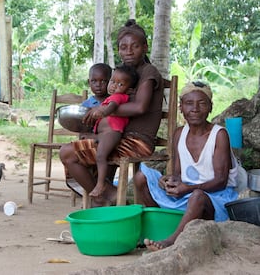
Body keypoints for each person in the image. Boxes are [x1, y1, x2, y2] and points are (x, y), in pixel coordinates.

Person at [60, 19, 164, 206]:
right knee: (73, 149)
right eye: (123, 47)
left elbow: (140, 107)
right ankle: (106, 193)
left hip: (138, 141)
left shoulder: (149, 72)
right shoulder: (125, 74)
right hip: (121, 137)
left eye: (134, 46)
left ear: (145, 47)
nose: (129, 51)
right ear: (119, 51)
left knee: (68, 153)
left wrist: (103, 110)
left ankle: (105, 195)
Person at [135, 81, 239, 251]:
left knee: (197, 196)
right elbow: (178, 174)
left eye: (202, 103)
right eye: (189, 103)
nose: (195, 108)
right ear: (181, 107)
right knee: (141, 177)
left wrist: (188, 189)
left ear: (211, 107)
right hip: (186, 195)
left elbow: (220, 181)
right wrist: (168, 180)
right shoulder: (179, 133)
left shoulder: (219, 135)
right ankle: (163, 227)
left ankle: (172, 241)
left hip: (214, 199)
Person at [89, 64, 139, 198]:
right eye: (112, 81)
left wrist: (103, 112)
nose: (114, 86)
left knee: (100, 156)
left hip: (112, 133)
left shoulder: (118, 97)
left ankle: (101, 183)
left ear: (129, 90)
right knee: (97, 156)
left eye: (120, 84)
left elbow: (112, 107)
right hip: (104, 133)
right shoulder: (110, 97)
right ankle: (103, 182)